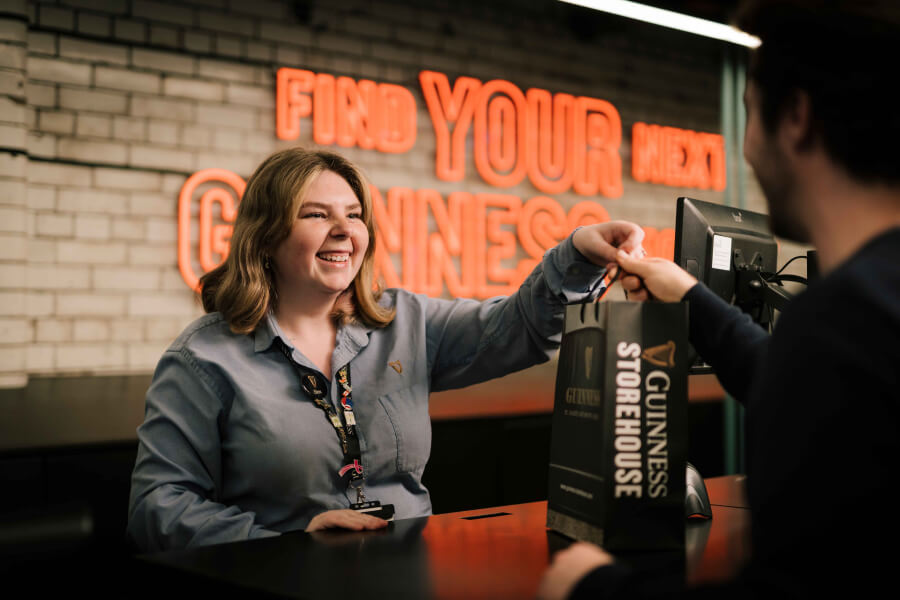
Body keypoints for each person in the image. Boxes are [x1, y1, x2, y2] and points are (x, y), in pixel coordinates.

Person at [538, 1, 900, 598]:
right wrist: (691, 298)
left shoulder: (844, 323)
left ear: (797, 117)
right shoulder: (866, 322)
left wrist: (591, 588)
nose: (748, 148)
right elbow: (808, 388)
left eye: (749, 116)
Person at [127, 147, 645, 551]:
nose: (344, 231)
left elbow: (521, 328)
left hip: (407, 575)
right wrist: (286, 538)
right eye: (315, 214)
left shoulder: (406, 321)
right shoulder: (205, 358)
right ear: (265, 238)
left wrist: (575, 255)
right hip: (282, 578)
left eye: (354, 215)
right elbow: (157, 507)